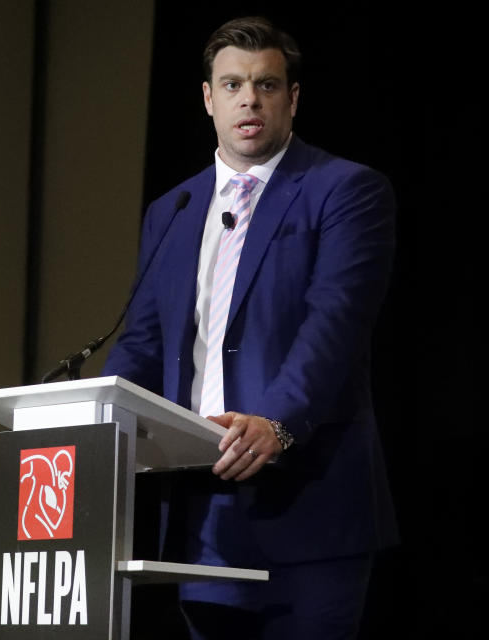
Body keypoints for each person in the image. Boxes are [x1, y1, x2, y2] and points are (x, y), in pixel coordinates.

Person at [101, 16, 398, 639]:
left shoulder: (344, 190)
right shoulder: (173, 210)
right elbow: (145, 341)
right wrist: (96, 423)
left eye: (266, 85)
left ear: (292, 98)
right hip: (203, 513)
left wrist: (278, 423)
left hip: (311, 503)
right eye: (232, 85)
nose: (249, 100)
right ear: (208, 99)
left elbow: (335, 323)